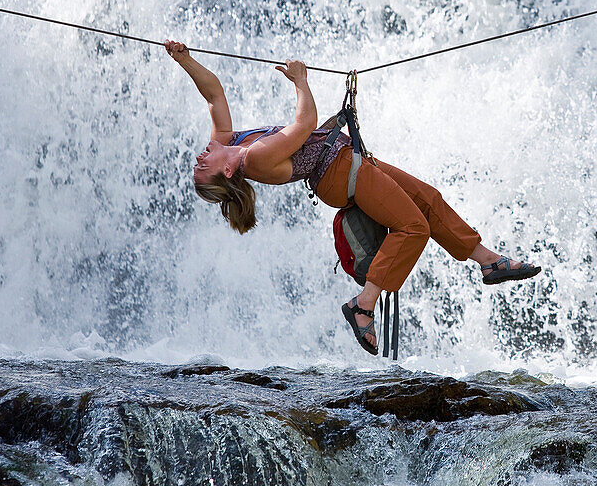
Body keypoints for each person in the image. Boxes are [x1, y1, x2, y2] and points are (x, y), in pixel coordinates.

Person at [165, 40, 541, 355]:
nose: (200, 157)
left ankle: (488, 261)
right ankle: (363, 304)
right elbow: (304, 125)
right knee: (412, 227)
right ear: (226, 172)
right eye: (203, 167)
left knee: (428, 199)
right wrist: (300, 81)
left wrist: (184, 60)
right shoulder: (253, 159)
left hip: (349, 158)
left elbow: (213, 93)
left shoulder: (225, 143)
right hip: (338, 174)